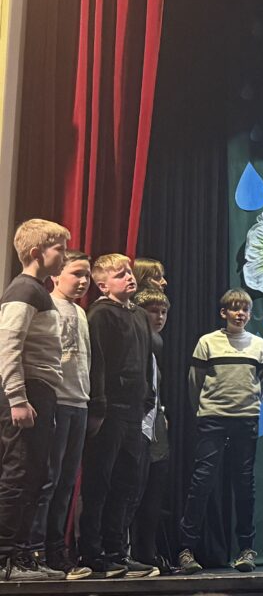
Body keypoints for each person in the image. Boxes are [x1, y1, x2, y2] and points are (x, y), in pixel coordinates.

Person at [176, 289, 263, 575]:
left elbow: (260, 381)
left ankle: (246, 550)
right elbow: (195, 383)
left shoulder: (259, 345)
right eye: (234, 309)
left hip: (246, 420)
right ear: (223, 313)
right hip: (213, 419)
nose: (240, 314)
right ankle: (186, 549)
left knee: (244, 485)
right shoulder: (207, 342)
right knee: (202, 482)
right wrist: (203, 410)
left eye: (245, 309)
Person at [0, 220, 69, 582]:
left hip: (40, 390)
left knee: (35, 475)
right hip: (26, 389)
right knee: (19, 473)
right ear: (35, 253)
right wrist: (17, 398)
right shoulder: (24, 290)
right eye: (59, 249)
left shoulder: (37, 291)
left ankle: (22, 555)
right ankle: (4, 559)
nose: (65, 255)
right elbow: (8, 346)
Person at [79, 254, 156, 578]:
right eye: (120, 273)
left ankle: (117, 551)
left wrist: (148, 396)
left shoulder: (138, 314)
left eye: (129, 271)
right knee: (99, 483)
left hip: (134, 411)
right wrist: (98, 405)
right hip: (110, 410)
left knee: (126, 483)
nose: (129, 277)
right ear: (102, 285)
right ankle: (92, 552)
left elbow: (145, 358)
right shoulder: (100, 314)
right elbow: (96, 361)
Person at [27, 250, 93, 580]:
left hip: (79, 402)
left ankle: (56, 550)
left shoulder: (81, 312)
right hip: (56, 401)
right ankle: (33, 550)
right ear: (56, 275)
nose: (83, 281)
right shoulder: (47, 306)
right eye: (76, 273)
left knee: (67, 481)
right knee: (48, 479)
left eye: (87, 275)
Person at [128, 288, 171, 570]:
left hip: (155, 425)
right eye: (153, 311)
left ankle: (147, 552)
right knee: (132, 490)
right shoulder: (134, 341)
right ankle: (125, 551)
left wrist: (161, 411)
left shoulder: (157, 344)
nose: (159, 317)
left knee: (153, 492)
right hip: (134, 425)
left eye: (163, 312)